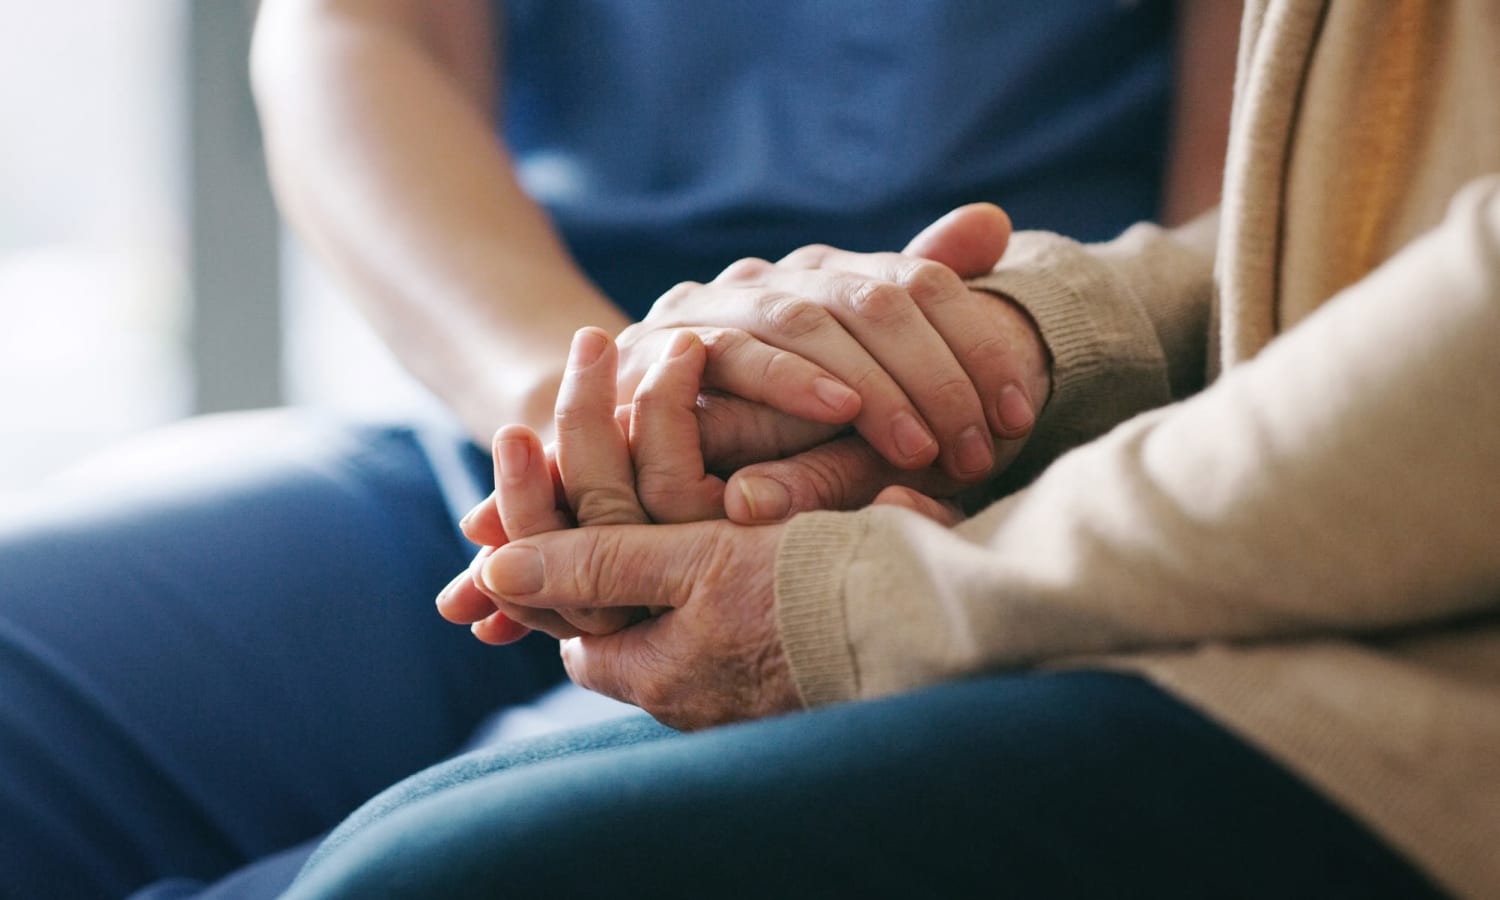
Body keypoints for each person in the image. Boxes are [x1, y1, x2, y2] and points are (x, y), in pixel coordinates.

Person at [0, 2, 1237, 898]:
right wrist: (577, 405)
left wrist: (969, 435)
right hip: (506, 420)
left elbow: (1263, 207)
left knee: (380, 878)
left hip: (992, 482)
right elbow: (358, 33)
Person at [286, 0, 1499, 897]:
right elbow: (1346, 223)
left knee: (411, 875)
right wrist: (1027, 332)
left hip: (1292, 603)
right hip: (585, 421)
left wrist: (888, 593)